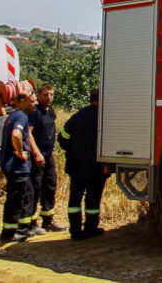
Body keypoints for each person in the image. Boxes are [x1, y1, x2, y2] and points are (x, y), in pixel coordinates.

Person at [58, 87, 108, 240]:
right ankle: (91, 228)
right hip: (97, 167)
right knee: (93, 199)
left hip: (77, 166)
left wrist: (72, 150)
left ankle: (75, 231)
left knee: (75, 200)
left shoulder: (77, 117)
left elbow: (62, 138)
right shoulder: (105, 118)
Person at [0, 91, 39, 242]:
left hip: (14, 166)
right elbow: (16, 134)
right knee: (15, 200)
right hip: (16, 167)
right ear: (22, 101)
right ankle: (9, 234)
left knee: (27, 195)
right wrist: (20, 152)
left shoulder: (14, 115)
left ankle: (21, 228)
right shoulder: (21, 116)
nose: (35, 104)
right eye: (32, 101)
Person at [29, 83, 66, 232]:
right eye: (45, 94)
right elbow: (28, 133)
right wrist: (36, 153)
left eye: (51, 94)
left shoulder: (50, 111)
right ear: (38, 95)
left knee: (50, 185)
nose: (49, 97)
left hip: (48, 156)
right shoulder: (34, 112)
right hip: (37, 157)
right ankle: (31, 223)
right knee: (35, 188)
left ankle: (48, 220)